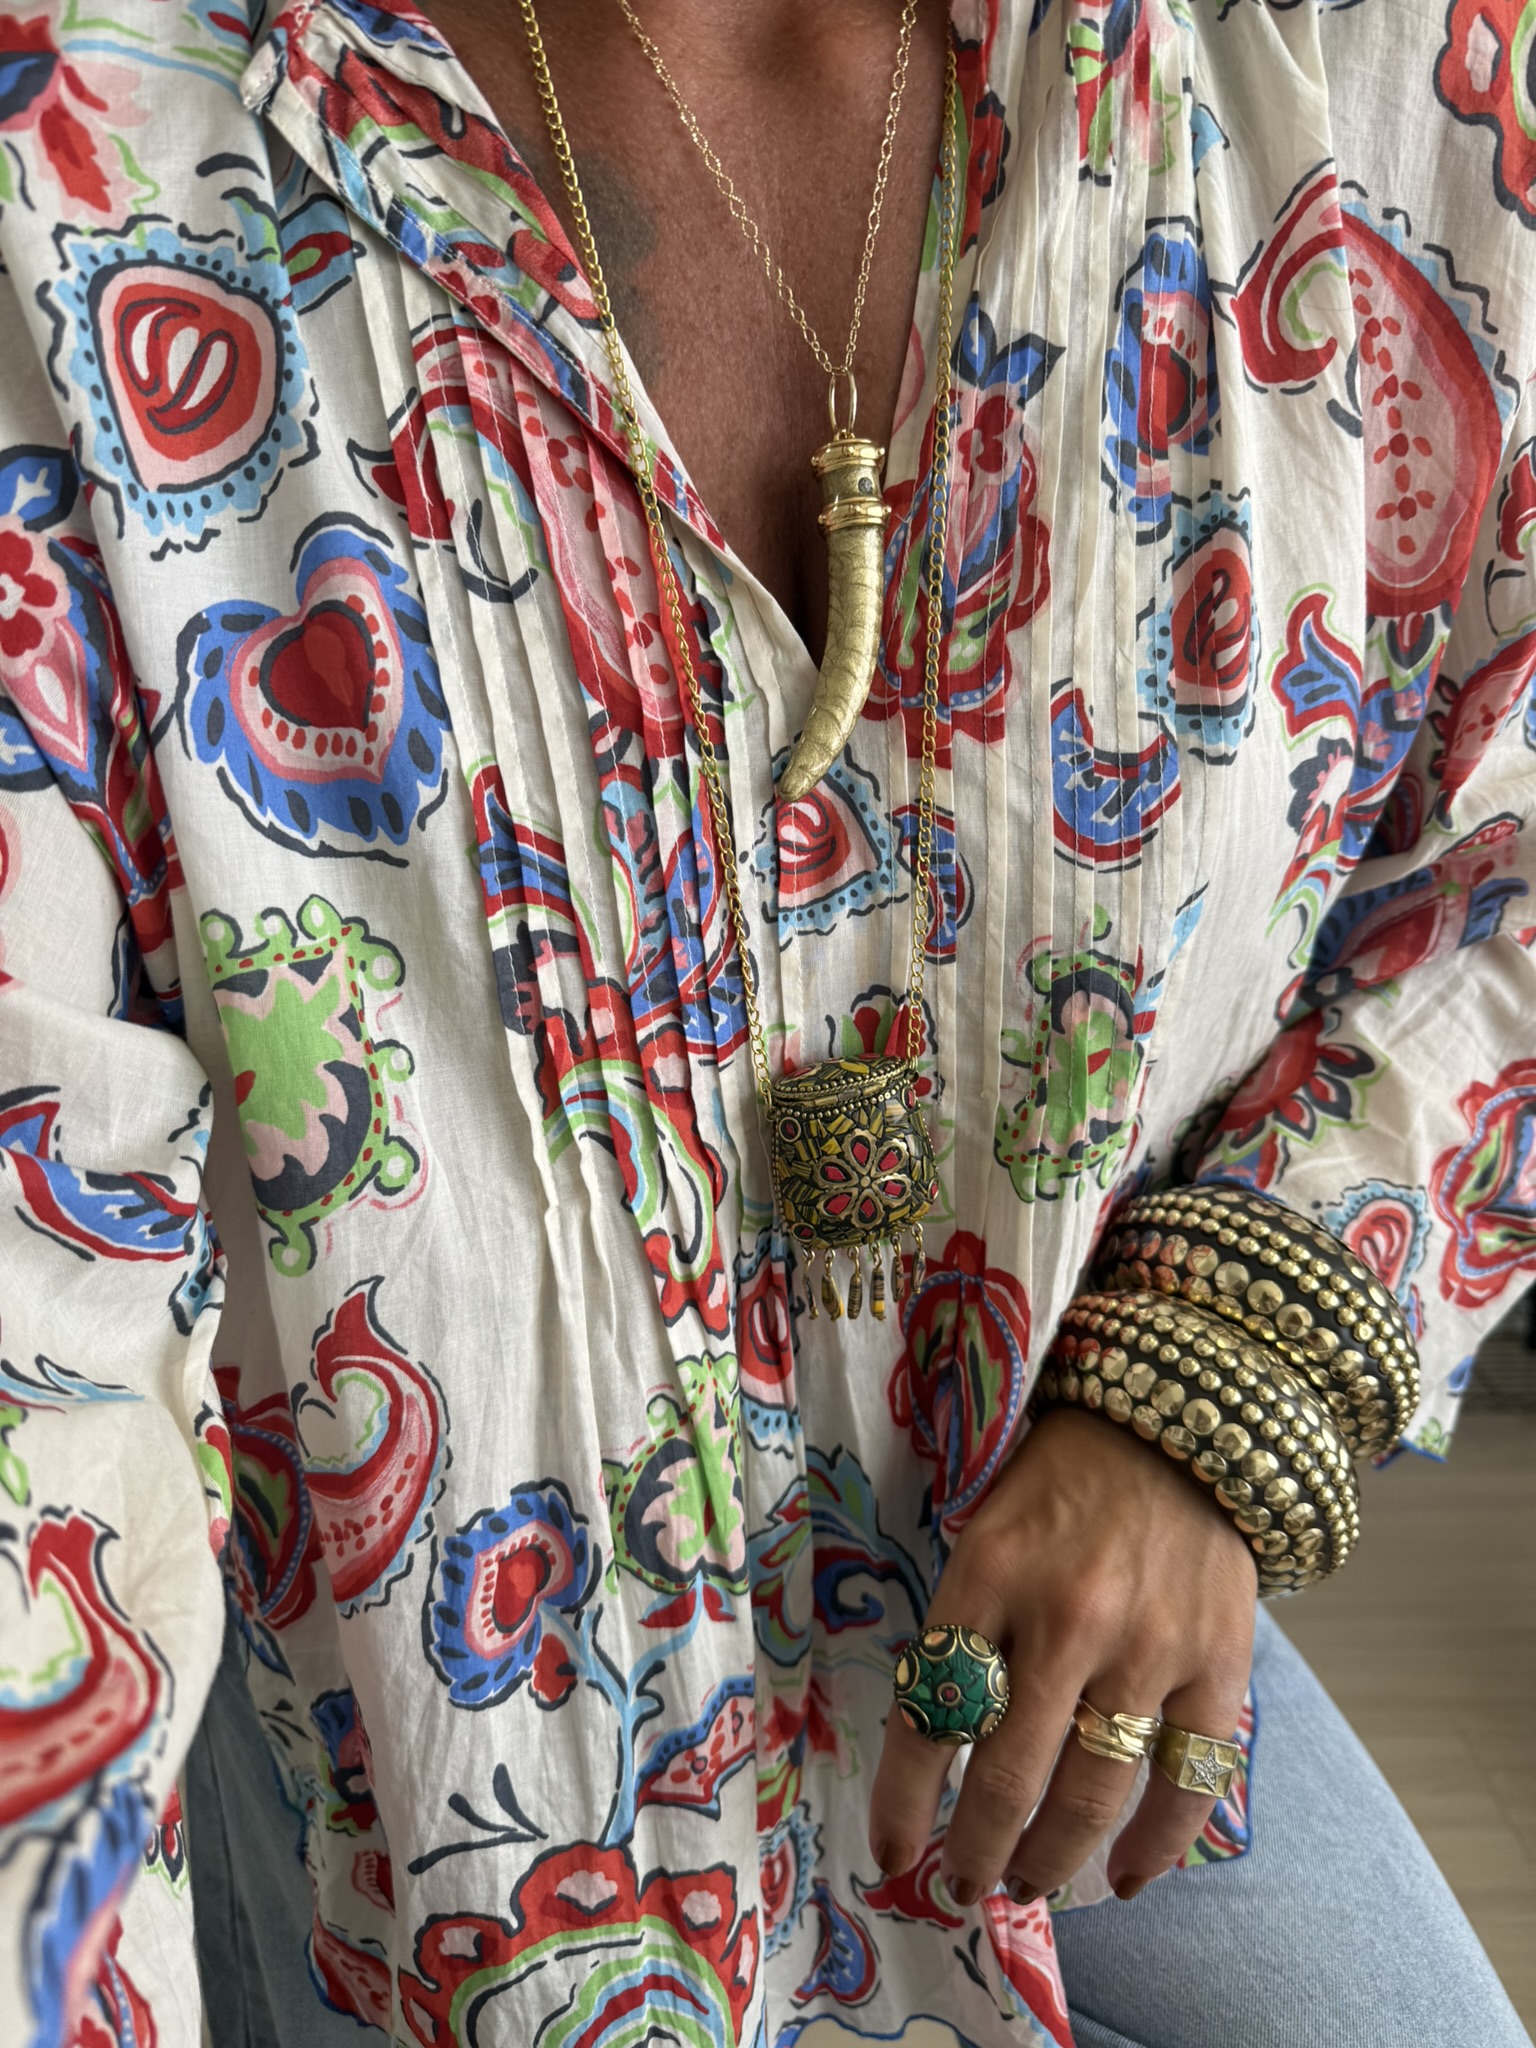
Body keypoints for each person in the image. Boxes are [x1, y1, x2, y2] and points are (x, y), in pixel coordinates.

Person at [0, 0, 1532, 2041]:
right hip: (400, 1789)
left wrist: (1232, 1364)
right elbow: (31, 1352)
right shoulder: (82, 155)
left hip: (1061, 1664)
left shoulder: (1353, 59)